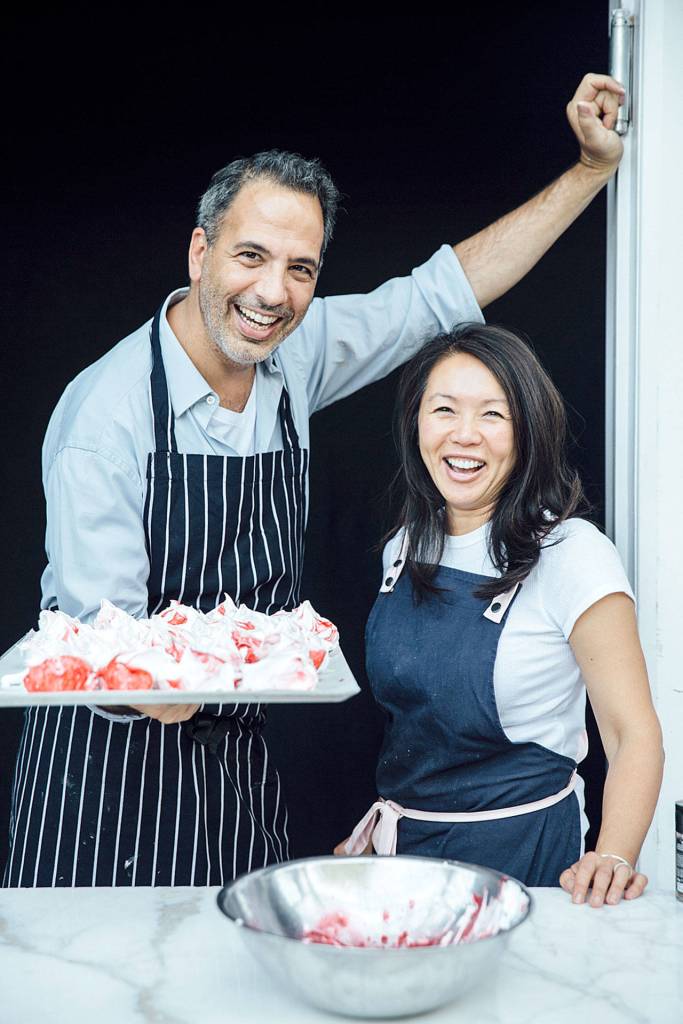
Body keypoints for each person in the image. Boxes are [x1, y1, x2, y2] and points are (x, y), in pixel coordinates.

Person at [4, 74, 628, 888]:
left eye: (301, 269)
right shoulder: (106, 420)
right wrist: (201, 677)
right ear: (200, 251)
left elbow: (441, 295)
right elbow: (106, 646)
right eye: (250, 257)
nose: (272, 294)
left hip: (230, 764)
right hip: (107, 772)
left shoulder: (291, 356)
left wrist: (588, 170)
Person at [342, 324, 664, 907]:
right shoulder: (405, 547)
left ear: (527, 433)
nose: (465, 436)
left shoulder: (570, 553)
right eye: (444, 409)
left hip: (525, 861)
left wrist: (613, 856)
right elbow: (415, 727)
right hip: (407, 864)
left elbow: (632, 733)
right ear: (418, 423)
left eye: (493, 415)